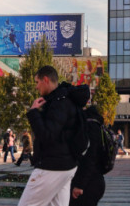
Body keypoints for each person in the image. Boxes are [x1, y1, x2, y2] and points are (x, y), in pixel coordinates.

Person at [17, 65, 89, 206]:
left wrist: (33, 112)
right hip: (67, 166)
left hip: (52, 166)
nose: (36, 87)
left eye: (37, 82)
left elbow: (47, 135)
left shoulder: (59, 103)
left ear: (45, 80)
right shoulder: (64, 100)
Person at [69, 106, 106, 206]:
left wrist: (80, 185)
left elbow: (90, 158)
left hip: (89, 183)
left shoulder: (91, 128)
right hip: (97, 179)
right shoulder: (100, 128)